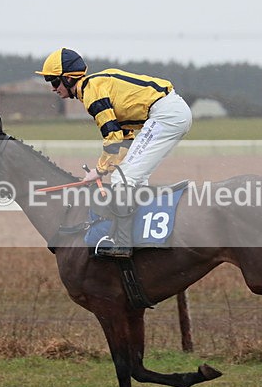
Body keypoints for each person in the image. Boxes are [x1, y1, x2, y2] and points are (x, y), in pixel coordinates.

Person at [36, 47, 192, 257]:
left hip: (166, 114)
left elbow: (112, 137)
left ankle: (123, 243)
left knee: (123, 178)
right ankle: (140, 236)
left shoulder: (91, 91)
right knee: (134, 177)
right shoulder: (94, 88)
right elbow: (125, 137)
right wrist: (108, 166)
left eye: (54, 82)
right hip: (171, 112)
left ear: (69, 78)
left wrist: (99, 170)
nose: (53, 88)